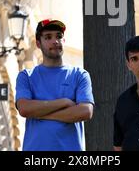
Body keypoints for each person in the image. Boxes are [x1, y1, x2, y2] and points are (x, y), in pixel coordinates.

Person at [16, 19, 94, 151]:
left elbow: (85, 111)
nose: (55, 41)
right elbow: (24, 109)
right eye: (48, 37)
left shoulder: (79, 75)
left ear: (63, 41)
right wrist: (63, 102)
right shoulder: (26, 76)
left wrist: (40, 113)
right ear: (38, 44)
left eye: (59, 36)